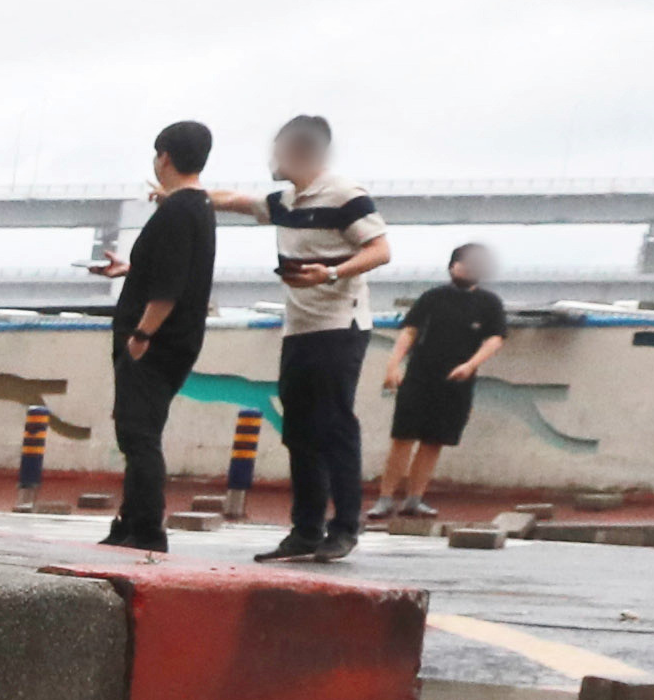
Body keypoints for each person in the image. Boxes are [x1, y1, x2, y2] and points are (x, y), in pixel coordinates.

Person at [208, 116, 390, 560]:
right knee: (299, 431)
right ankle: (305, 531)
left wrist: (329, 272)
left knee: (334, 426)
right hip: (300, 330)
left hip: (340, 327)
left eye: (278, 149)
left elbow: (381, 249)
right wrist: (179, 193)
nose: (272, 158)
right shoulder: (286, 201)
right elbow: (234, 200)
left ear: (300, 151)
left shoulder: (346, 194)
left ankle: (344, 527)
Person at [96, 120, 216, 551]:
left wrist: (142, 335)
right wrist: (130, 270)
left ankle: (146, 528)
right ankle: (131, 521)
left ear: (164, 157)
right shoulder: (198, 207)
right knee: (140, 429)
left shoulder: (176, 212)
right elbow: (175, 273)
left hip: (155, 341)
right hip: (178, 339)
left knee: (138, 434)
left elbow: (167, 290)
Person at [374, 241, 507, 527]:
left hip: (456, 381)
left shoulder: (489, 303)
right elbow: (409, 332)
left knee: (434, 440)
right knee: (403, 438)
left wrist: (471, 365)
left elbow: (495, 338)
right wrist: (393, 365)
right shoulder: (432, 297)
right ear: (452, 266)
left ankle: (414, 498)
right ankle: (385, 497)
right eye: (463, 262)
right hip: (419, 375)